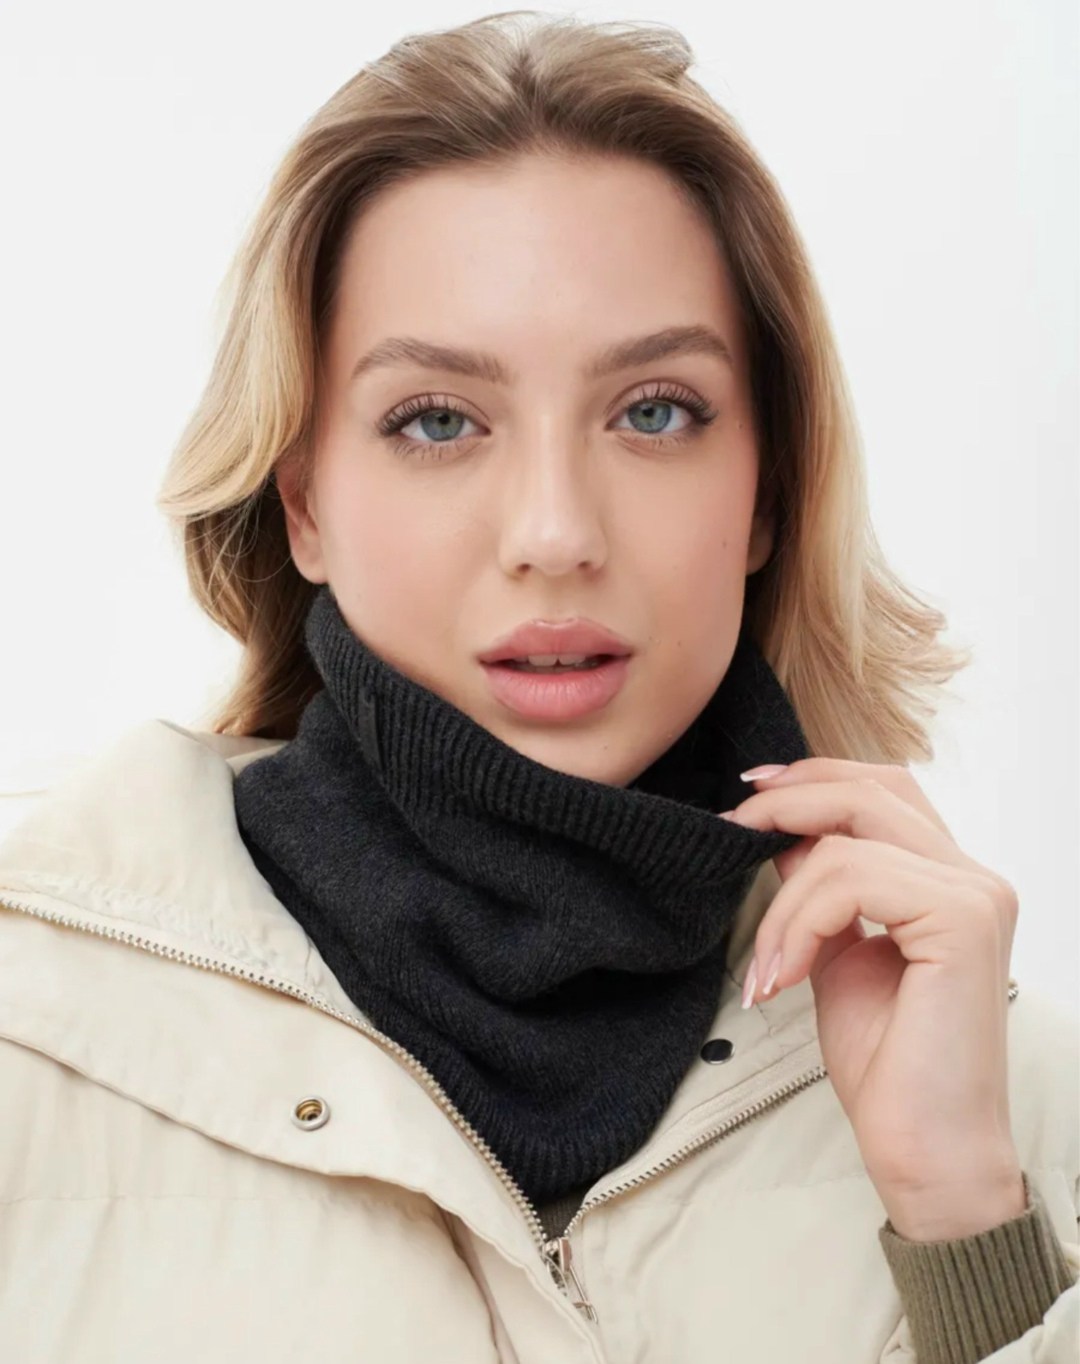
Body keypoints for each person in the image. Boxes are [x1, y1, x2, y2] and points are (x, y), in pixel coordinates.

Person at [0, 11, 1075, 1362]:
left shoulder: (1004, 1099)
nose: (556, 533)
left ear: (767, 491)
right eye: (438, 421)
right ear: (305, 503)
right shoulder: (29, 1034)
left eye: (654, 411)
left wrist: (965, 1225)